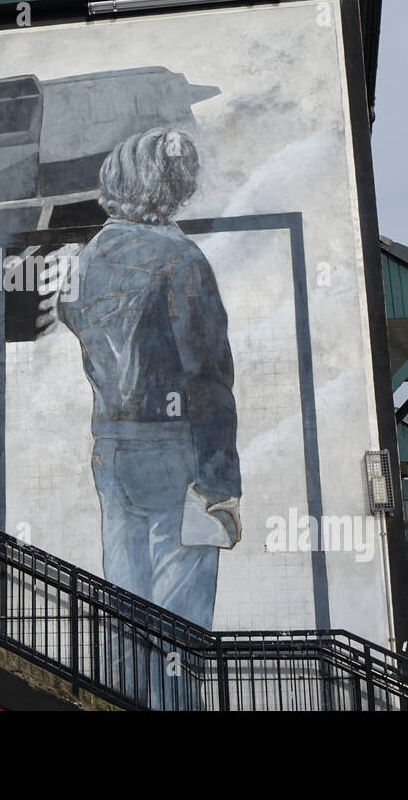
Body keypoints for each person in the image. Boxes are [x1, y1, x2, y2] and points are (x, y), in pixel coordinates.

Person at [59, 127, 242, 632]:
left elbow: (73, 317)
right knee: (181, 616)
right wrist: (221, 482)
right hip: (175, 451)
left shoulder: (88, 259)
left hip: (112, 447)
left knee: (124, 611)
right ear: (173, 188)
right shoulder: (182, 260)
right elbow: (207, 378)